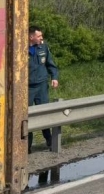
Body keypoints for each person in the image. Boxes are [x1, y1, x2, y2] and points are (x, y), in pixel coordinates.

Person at [28, 25, 59, 153]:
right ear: (31, 37)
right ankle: (27, 146)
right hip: (27, 88)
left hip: (41, 86)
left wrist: (54, 77)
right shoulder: (20, 49)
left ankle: (49, 140)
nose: (42, 38)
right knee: (26, 117)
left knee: (44, 114)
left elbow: (50, 64)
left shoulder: (43, 48)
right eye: (39, 36)